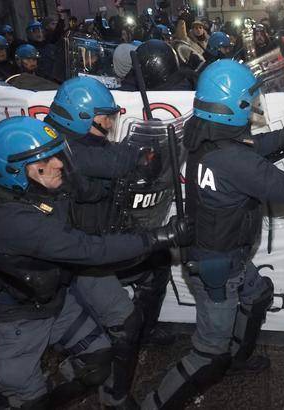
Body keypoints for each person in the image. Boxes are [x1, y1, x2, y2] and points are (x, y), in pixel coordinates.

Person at [141, 59, 284, 409]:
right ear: (234, 107)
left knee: (257, 296)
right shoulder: (231, 158)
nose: (255, 105)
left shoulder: (205, 137)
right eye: (249, 100)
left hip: (222, 256)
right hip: (217, 267)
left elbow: (252, 148)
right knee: (206, 353)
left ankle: (237, 359)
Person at [0, 116, 192, 409]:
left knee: (98, 361)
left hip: (53, 302)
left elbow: (95, 170)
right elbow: (90, 250)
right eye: (45, 163)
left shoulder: (40, 191)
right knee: (28, 400)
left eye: (57, 156)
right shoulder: (15, 220)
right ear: (15, 171)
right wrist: (160, 237)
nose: (59, 165)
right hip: (17, 322)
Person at [44, 76, 192, 407]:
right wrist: (143, 154)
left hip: (103, 237)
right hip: (78, 255)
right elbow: (113, 161)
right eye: (104, 116)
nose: (111, 123)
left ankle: (147, 331)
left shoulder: (81, 138)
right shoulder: (57, 147)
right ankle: (115, 395)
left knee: (158, 264)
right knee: (126, 323)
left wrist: (147, 143)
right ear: (80, 116)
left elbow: (113, 152)